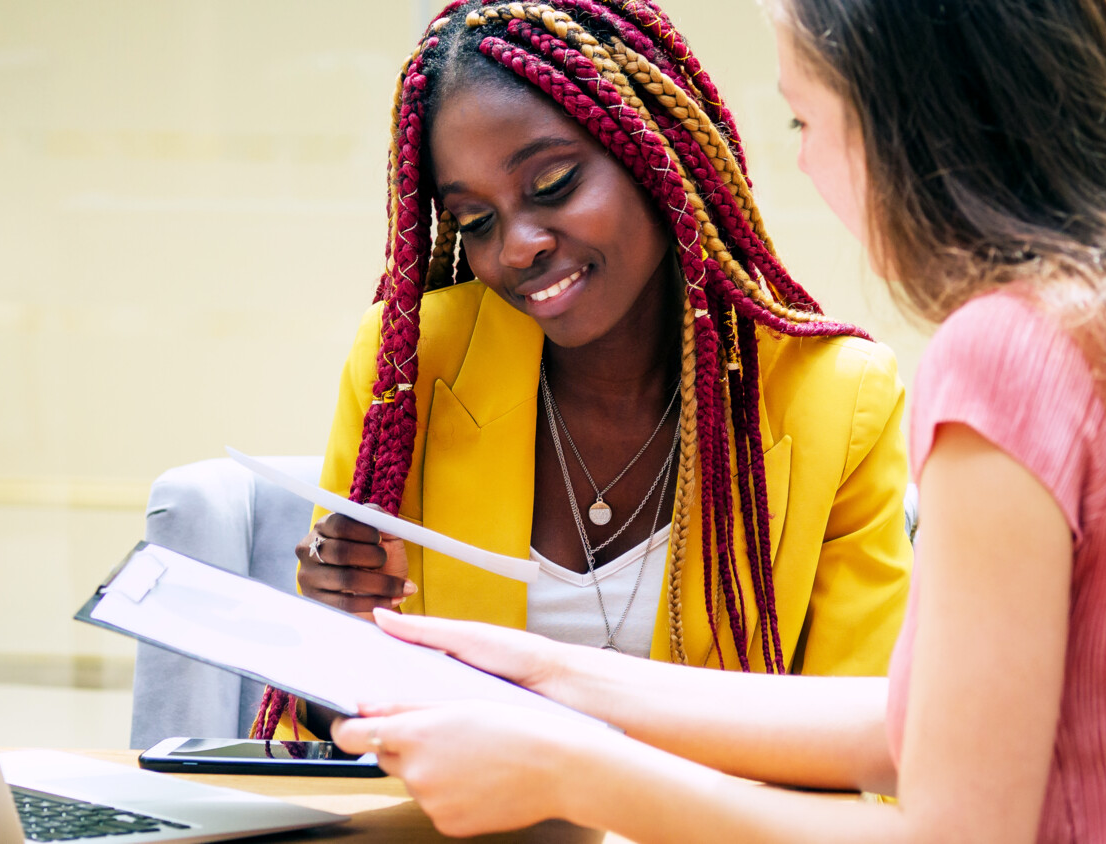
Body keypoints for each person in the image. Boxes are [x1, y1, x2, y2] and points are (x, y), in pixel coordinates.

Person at [330, 0, 1106, 840]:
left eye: (806, 117)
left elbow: (952, 834)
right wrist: (551, 677)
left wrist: (567, 770)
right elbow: (911, 721)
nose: (802, 158)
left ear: (908, 123)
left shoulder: (1005, 354)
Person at [252, 0, 916, 740]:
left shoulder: (837, 399)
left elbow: (874, 748)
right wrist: (330, 645)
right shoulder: (411, 364)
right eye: (475, 221)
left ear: (654, 152)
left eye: (554, 183)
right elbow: (319, 742)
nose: (516, 248)